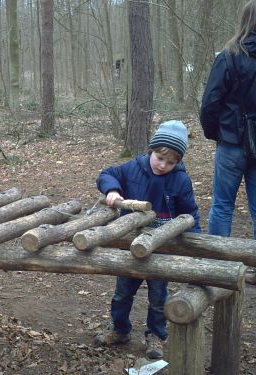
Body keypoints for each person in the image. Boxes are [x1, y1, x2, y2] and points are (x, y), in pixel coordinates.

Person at [94, 120, 201, 359]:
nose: (163, 165)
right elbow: (107, 174)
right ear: (151, 150)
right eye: (160, 158)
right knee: (122, 292)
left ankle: (156, 335)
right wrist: (112, 190)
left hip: (161, 248)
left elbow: (190, 213)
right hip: (130, 245)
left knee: (158, 297)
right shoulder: (133, 168)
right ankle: (120, 329)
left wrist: (196, 245)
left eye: (171, 162)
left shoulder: (180, 181)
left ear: (178, 162)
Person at [200, 0, 256, 284]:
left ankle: (216, 268)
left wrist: (217, 133)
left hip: (232, 143)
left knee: (222, 205)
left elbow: (210, 102)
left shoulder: (230, 55)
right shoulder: (229, 54)